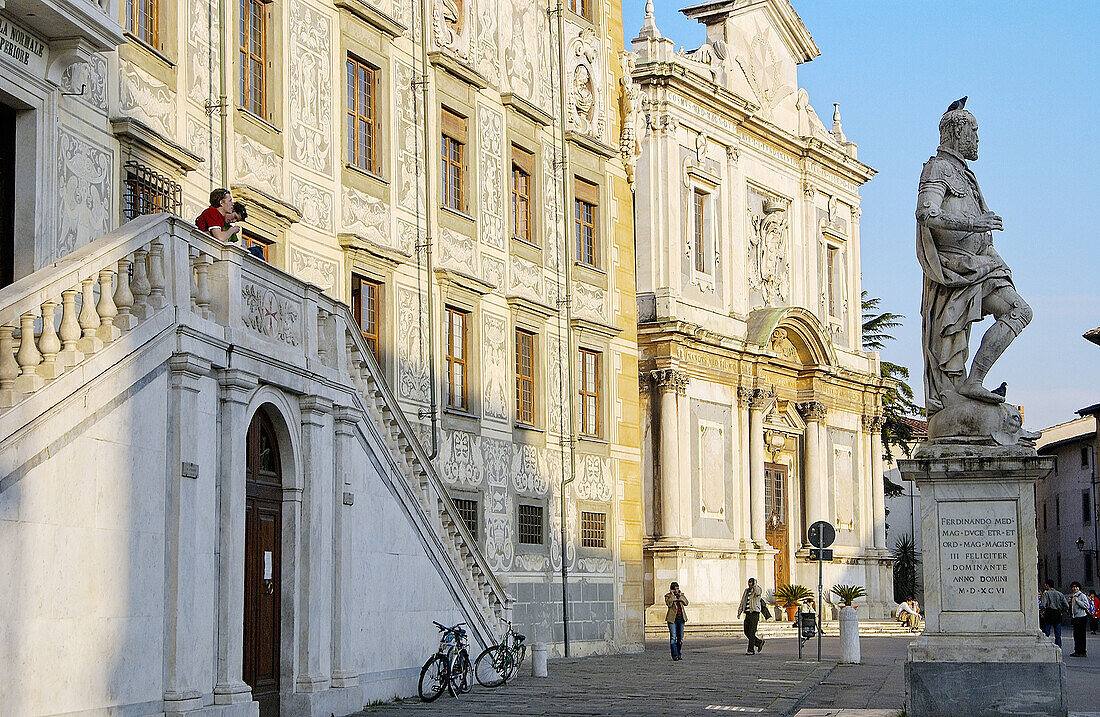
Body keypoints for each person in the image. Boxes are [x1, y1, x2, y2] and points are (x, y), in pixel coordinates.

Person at [915, 97, 1032, 412]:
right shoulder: (938, 168)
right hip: (957, 269)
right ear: (957, 133)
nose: (978, 138)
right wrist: (975, 223)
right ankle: (966, 386)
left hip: (983, 266)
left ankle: (974, 380)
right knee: (1015, 313)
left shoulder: (964, 173)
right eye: (974, 131)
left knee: (1020, 311)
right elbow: (927, 214)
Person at [737, 577, 765, 655]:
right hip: (747, 613)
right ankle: (759, 642)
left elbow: (758, 592)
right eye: (749, 583)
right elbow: (743, 601)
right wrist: (739, 611)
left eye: (751, 583)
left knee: (752, 632)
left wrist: (755, 585)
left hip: (755, 613)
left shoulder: (757, 590)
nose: (749, 585)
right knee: (746, 631)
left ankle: (750, 649)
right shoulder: (746, 591)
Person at [664, 581, 688, 661]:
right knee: (673, 637)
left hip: (681, 618)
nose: (677, 590)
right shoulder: (668, 596)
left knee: (680, 638)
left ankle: (678, 653)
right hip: (672, 619)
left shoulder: (681, 595)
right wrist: (672, 596)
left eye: (677, 588)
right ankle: (675, 655)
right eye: (675, 589)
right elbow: (669, 604)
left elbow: (686, 603)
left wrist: (680, 597)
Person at [1041, 580, 1070, 647]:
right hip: (1057, 613)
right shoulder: (1060, 594)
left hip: (1049, 613)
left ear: (1047, 585)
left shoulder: (1046, 594)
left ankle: (1046, 646)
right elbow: (1067, 605)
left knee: (1047, 632)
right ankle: (1058, 647)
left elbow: (1043, 605)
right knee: (1058, 634)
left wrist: (1042, 612)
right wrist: (1062, 611)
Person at [1068, 582, 1091, 657]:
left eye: (1076, 587)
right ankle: (1077, 651)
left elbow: (1087, 605)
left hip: (1081, 617)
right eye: (1073, 587)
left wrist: (1078, 601)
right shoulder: (1073, 596)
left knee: (1081, 635)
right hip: (1076, 618)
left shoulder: (1082, 596)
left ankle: (1082, 651)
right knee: (1076, 635)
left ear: (1079, 588)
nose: (1075, 588)